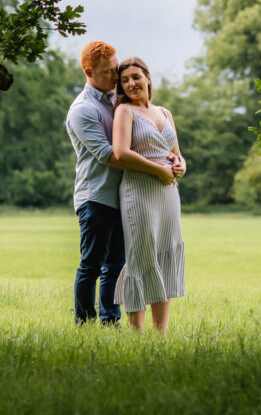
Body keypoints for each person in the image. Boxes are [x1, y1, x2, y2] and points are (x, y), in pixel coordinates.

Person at [65, 41, 174, 326]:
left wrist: (174, 161)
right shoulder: (83, 110)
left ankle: (110, 322)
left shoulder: (117, 100)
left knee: (116, 265)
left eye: (116, 70)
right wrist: (158, 170)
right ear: (89, 72)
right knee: (91, 265)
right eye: (108, 72)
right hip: (96, 195)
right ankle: (85, 323)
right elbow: (109, 156)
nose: (116, 77)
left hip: (125, 196)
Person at [111, 56, 187, 333]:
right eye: (125, 80)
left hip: (168, 193)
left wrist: (181, 165)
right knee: (142, 255)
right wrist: (157, 169)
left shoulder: (165, 113)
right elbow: (120, 153)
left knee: (165, 253)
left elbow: (177, 153)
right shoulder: (125, 112)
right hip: (138, 191)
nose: (131, 84)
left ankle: (160, 334)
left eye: (136, 77)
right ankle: (136, 333)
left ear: (148, 78)